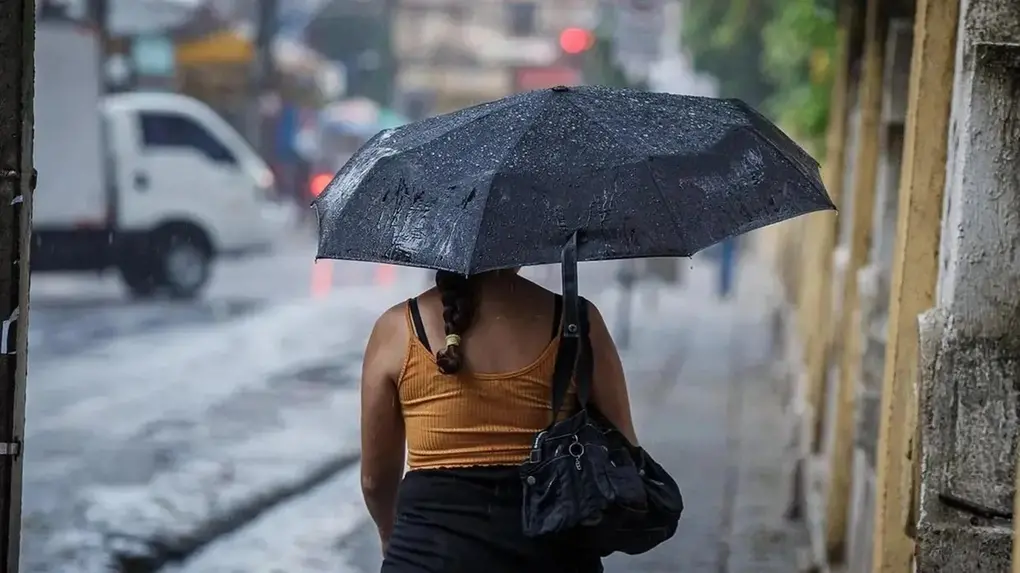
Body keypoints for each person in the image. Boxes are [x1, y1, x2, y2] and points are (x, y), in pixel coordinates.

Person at [360, 267, 640, 573]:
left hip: (426, 553)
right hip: (554, 553)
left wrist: (391, 537)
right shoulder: (577, 320)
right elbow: (625, 449)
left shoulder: (397, 328)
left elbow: (374, 482)